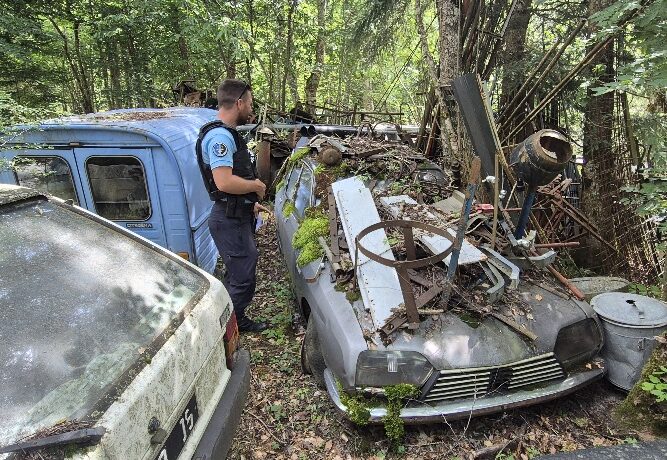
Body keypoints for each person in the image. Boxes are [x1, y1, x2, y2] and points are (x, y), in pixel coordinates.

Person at [195, 79, 270, 332]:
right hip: (228, 220)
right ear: (238, 103)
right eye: (249, 103)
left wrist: (250, 205)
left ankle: (231, 319)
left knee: (239, 271)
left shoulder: (224, 134)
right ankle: (226, 329)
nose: (251, 109)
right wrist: (255, 186)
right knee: (243, 277)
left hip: (233, 214)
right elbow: (224, 182)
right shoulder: (220, 137)